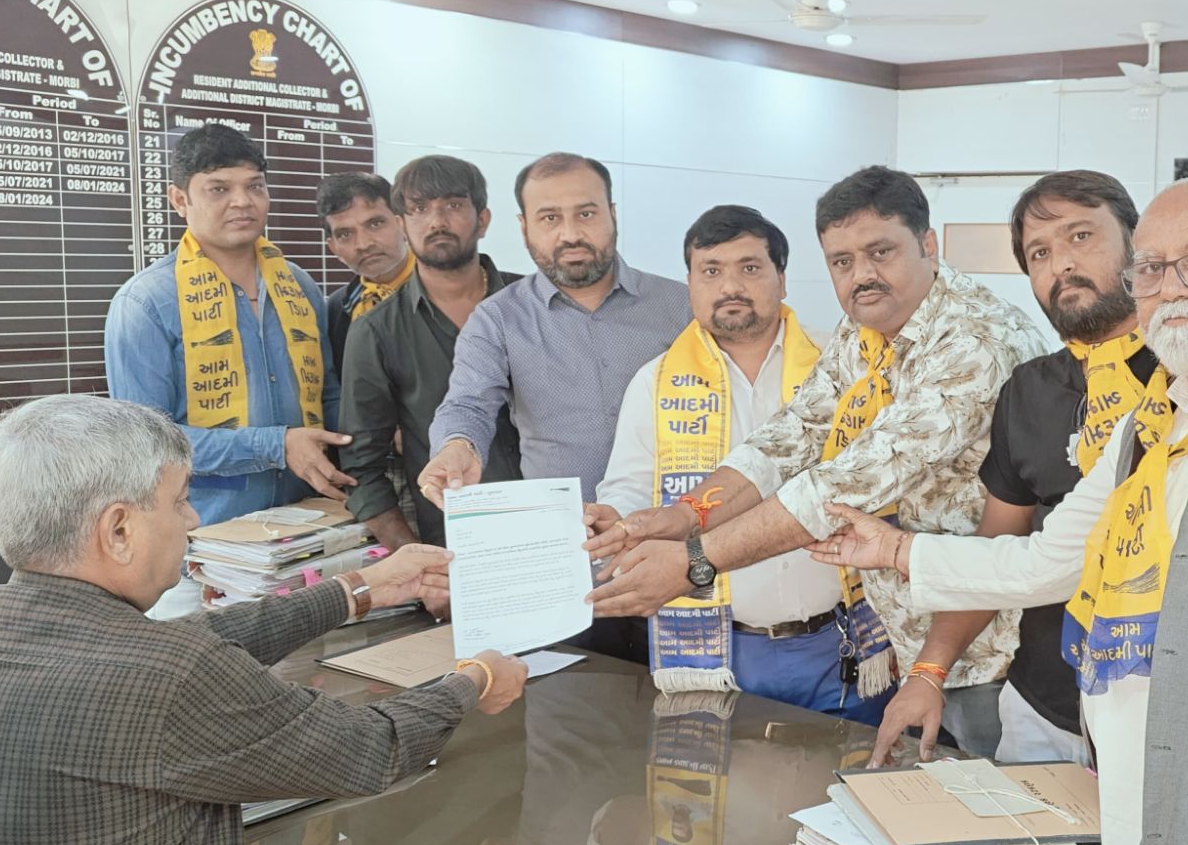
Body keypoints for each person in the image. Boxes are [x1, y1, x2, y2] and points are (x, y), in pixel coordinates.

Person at [807, 175, 1188, 845]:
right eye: (1151, 268)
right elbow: (1047, 561)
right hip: (1133, 799)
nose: (1172, 289)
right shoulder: (1152, 423)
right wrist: (895, 548)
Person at [0, 394, 528, 845]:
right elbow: (373, 749)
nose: (194, 518)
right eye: (179, 500)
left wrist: (359, 588)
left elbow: (200, 637)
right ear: (118, 530)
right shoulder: (165, 677)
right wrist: (474, 679)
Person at [586, 166, 1045, 751]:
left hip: (987, 652)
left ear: (928, 245)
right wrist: (683, 515)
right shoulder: (865, 331)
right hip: (912, 640)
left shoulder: (975, 341)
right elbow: (793, 435)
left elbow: (845, 484)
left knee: (986, 802)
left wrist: (695, 561)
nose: (862, 275)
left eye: (880, 252)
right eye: (842, 261)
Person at [868, 170, 1146, 765]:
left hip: (1160, 716)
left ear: (1136, 242)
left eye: (1081, 236)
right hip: (1042, 709)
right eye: (1039, 253)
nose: (1061, 264)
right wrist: (928, 671)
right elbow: (997, 547)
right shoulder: (1031, 390)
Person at [593, 205, 883, 721]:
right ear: (690, 283)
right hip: (719, 648)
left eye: (749, 268)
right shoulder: (655, 382)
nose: (730, 285)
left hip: (842, 641)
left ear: (782, 279)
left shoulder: (843, 364)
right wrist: (615, 521)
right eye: (711, 270)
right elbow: (631, 488)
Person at [421, 152, 690, 661]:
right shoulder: (498, 320)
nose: (570, 233)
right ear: (524, 227)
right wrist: (457, 448)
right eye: (549, 218)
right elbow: (468, 404)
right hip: (568, 576)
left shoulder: (683, 306)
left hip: (681, 562)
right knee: (578, 709)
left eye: (586, 213)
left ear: (612, 214)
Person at [105, 123, 352, 528]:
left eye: (255, 187)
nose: (243, 202)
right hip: (203, 538)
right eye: (219, 189)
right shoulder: (145, 303)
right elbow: (146, 445)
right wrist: (276, 445)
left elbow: (330, 396)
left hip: (310, 523)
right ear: (179, 200)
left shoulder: (299, 286)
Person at [338, 156, 523, 554]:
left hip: (564, 528)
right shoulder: (376, 332)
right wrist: (418, 559)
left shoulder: (536, 305)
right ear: (402, 225)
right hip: (458, 546)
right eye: (419, 209)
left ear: (483, 219)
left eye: (453, 205)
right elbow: (361, 469)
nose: (437, 222)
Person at [320, 172, 415, 376]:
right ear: (334, 248)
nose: (363, 244)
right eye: (345, 234)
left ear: (403, 223)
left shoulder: (447, 289)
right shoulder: (338, 309)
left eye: (375, 224)